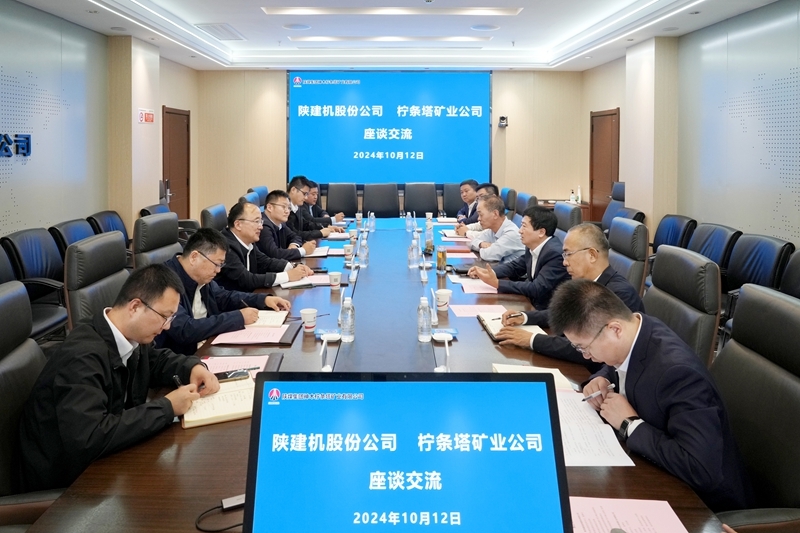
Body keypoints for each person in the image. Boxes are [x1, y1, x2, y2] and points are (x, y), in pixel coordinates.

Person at [548, 279, 753, 512]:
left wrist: (629, 423)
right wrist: (602, 378)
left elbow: (701, 468)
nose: (585, 356)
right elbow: (622, 363)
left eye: (584, 347)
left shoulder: (678, 374)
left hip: (704, 506)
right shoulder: (637, 328)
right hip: (651, 469)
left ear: (615, 329)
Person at [18, 264, 221, 492]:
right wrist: (167, 407)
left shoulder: (127, 334)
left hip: (106, 459)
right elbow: (89, 437)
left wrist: (192, 367)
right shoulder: (81, 357)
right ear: (135, 307)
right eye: (164, 317)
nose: (168, 327)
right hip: (68, 481)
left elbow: (155, 361)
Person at [496, 223, 644, 369]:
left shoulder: (619, 294)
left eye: (568, 254)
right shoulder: (584, 283)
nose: (564, 262)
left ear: (592, 255)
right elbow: (566, 315)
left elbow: (588, 349)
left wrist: (531, 340)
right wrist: (525, 317)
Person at [157, 228, 291, 355]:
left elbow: (224, 297)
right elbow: (185, 330)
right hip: (183, 357)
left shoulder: (200, 276)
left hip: (207, 345)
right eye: (216, 264)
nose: (218, 270)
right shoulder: (164, 283)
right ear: (194, 257)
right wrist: (238, 318)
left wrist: (263, 299)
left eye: (221, 265)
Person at [468, 206, 569, 310]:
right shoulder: (533, 245)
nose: (520, 231)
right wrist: (489, 272)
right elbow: (515, 266)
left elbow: (537, 288)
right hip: (531, 304)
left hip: (546, 312)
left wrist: (498, 283)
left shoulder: (555, 254)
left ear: (541, 232)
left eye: (524, 226)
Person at [216, 201, 313, 292]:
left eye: (260, 222)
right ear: (238, 224)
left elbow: (265, 262)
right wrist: (287, 276)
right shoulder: (225, 247)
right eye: (256, 221)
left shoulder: (248, 240)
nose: (261, 227)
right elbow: (247, 280)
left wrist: (293, 267)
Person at [258, 189, 317, 261]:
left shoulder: (280, 223)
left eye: (289, 207)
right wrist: (303, 250)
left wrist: (294, 245)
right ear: (270, 207)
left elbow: (295, 236)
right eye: (283, 207)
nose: (287, 211)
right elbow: (274, 254)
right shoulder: (263, 226)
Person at [467, 194, 525, 263]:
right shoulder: (492, 230)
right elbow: (471, 243)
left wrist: (487, 249)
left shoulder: (511, 233)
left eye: (481, 215)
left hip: (511, 270)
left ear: (495, 214)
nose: (478, 219)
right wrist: (481, 244)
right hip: (498, 267)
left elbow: (487, 255)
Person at [286, 176, 342, 240]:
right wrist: (320, 233)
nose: (306, 198)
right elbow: (294, 234)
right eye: (304, 194)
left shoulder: (297, 207)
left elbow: (307, 225)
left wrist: (326, 227)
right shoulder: (286, 210)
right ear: (293, 190)